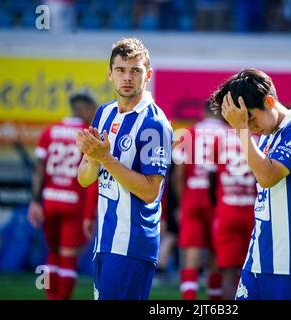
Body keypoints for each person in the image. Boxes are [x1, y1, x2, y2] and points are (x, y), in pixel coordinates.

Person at [210, 68, 291, 300]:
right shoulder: (266, 137)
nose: (250, 127)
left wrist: (241, 129)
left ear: (270, 101)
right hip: (257, 262)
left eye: (250, 118)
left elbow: (268, 176)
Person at [76, 37, 173, 300]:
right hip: (104, 243)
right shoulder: (104, 114)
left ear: (148, 75)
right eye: (120, 70)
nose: (127, 77)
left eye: (135, 71)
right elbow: (84, 178)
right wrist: (95, 158)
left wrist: (106, 159)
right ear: (110, 74)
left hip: (133, 246)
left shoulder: (154, 123)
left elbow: (151, 192)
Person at [27, 89, 98, 300]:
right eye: (92, 109)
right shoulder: (88, 134)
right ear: (84, 109)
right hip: (74, 203)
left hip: (49, 201)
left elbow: (39, 169)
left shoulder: (49, 131)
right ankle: (62, 298)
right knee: (68, 258)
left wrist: (35, 201)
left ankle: (51, 297)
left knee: (52, 253)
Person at [173, 103, 223, 300]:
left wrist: (181, 202)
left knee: (192, 253)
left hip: (192, 198)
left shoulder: (188, 134)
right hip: (219, 201)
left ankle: (188, 298)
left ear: (203, 112)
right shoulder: (229, 134)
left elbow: (178, 173)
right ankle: (216, 301)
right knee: (216, 253)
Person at [210, 113, 256, 300]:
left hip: (227, 209)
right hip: (253, 211)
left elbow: (211, 175)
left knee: (228, 273)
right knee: (251, 271)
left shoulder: (219, 139)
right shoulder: (258, 137)